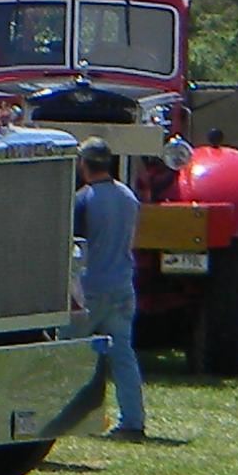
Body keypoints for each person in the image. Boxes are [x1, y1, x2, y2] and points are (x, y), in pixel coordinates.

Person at [72, 141, 146, 439]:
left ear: (84, 164)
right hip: (122, 286)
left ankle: (70, 419)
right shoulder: (128, 196)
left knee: (71, 353)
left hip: (90, 288)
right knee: (123, 355)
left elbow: (76, 246)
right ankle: (133, 420)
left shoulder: (84, 199)